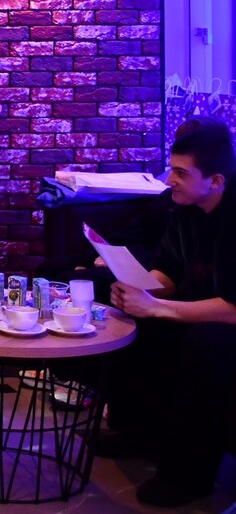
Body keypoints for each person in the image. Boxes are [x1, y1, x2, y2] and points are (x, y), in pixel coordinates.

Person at [95, 121, 236, 508]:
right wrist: (139, 291)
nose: (169, 180)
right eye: (171, 169)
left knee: (204, 345)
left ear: (216, 181)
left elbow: (232, 307)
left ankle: (189, 476)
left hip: (227, 321)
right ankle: (136, 433)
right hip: (201, 307)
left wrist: (158, 306)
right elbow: (170, 273)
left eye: (181, 173)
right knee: (132, 318)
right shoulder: (185, 209)